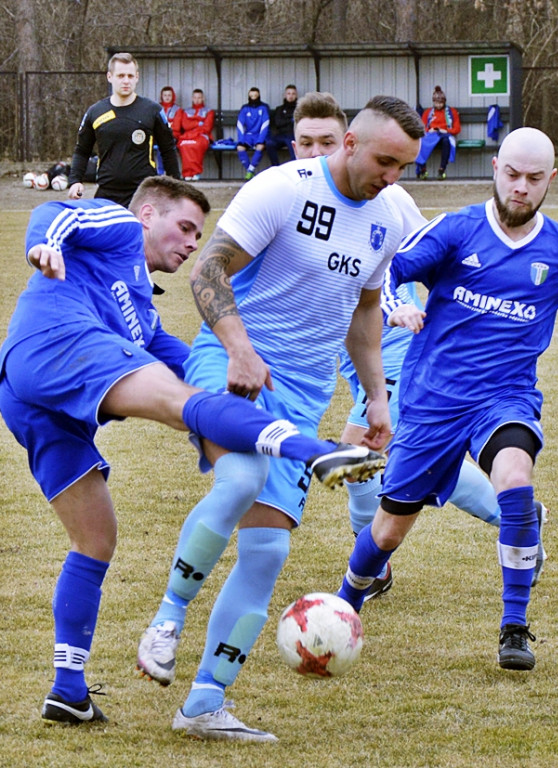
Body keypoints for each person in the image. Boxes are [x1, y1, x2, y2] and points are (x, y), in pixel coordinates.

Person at [0, 176, 384, 726]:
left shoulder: (143, 316)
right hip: (57, 341)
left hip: (29, 399)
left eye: (198, 235)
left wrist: (245, 366)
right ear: (148, 215)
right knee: (183, 403)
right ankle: (314, 451)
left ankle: (68, 690)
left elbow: (186, 364)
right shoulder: (119, 227)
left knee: (95, 538)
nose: (190, 243)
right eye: (184, 228)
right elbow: (58, 215)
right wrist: (44, 247)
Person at [135, 95, 425, 743]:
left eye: (403, 167)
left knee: (267, 551)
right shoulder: (283, 189)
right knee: (239, 479)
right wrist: (239, 348)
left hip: (302, 395)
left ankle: (204, 703)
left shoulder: (386, 219)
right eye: (385, 161)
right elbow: (208, 271)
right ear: (350, 143)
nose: (391, 177)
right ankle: (167, 619)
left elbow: (364, 314)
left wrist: (375, 397)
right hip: (230, 361)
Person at [338, 127, 558, 673]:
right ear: (496, 168)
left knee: (516, 478)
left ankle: (514, 627)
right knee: (386, 532)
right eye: (512, 174)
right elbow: (388, 270)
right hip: (433, 402)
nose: (521, 187)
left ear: (550, 180)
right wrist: (395, 305)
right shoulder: (457, 229)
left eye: (533, 178)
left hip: (505, 399)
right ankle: (344, 605)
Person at [288, 91, 521, 601]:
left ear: (350, 141)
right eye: (305, 143)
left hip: (398, 348)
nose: (315, 152)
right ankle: (517, 515)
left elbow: (437, 259)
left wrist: (429, 315)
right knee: (396, 460)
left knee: (358, 454)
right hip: (351, 358)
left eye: (327, 142)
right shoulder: (292, 195)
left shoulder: (388, 199)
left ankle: (375, 567)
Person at [67, 52, 181, 206]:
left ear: (137, 77)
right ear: (109, 77)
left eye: (130, 76)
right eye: (121, 76)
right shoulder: (95, 112)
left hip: (143, 194)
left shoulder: (152, 110)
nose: (126, 81)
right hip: (106, 194)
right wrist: (75, 180)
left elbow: (168, 150)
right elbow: (82, 151)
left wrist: (176, 186)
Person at [414, 85, 460, 180]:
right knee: (420, 141)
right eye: (436, 103)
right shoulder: (428, 112)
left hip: (445, 135)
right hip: (431, 136)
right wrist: (429, 130)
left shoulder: (452, 112)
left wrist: (446, 130)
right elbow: (422, 127)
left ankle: (442, 170)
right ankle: (423, 170)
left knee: (446, 141)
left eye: (441, 103)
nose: (439, 105)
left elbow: (457, 129)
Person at [176, 89, 215, 181]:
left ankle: (196, 172)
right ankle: (187, 173)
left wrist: (193, 124)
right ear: (192, 98)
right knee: (184, 145)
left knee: (196, 145)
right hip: (187, 135)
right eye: (195, 97)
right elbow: (185, 125)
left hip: (202, 135)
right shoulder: (186, 111)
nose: (197, 100)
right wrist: (199, 122)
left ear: (203, 98)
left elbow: (207, 127)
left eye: (199, 98)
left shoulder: (209, 111)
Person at [235, 86, 270, 180]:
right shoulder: (245, 108)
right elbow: (240, 124)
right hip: (248, 135)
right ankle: (250, 171)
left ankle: (250, 171)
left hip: (259, 135)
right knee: (240, 147)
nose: (253, 98)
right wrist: (241, 139)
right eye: (251, 96)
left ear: (259, 96)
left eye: (255, 96)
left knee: (260, 146)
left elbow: (265, 124)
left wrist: (261, 139)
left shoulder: (264, 108)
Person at [265, 84, 298, 165]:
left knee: (294, 147)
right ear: (285, 95)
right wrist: (290, 120)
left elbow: (298, 122)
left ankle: (295, 167)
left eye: (293, 94)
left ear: (296, 95)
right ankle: (275, 167)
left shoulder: (299, 109)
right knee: (269, 143)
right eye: (288, 93)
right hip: (280, 135)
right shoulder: (279, 109)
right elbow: (278, 123)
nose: (291, 96)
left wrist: (286, 120)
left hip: (292, 135)